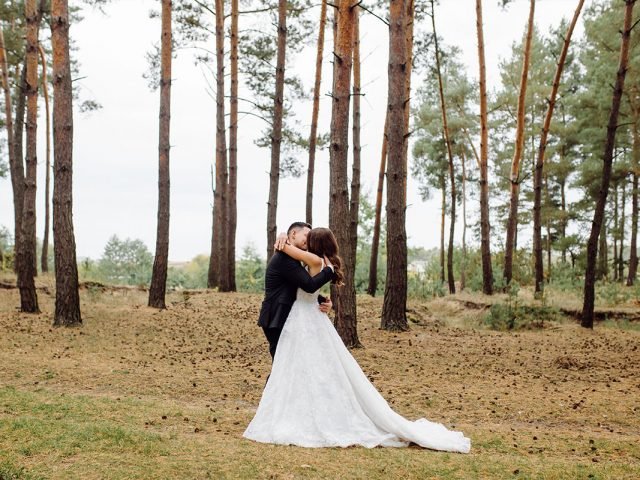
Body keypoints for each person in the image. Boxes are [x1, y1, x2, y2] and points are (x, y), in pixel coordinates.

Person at [244, 227, 471, 452]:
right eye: (305, 235)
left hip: (301, 319)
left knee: (292, 368)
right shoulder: (296, 257)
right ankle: (280, 410)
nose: (307, 240)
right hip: (287, 318)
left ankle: (282, 412)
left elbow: (306, 283)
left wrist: (325, 273)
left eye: (310, 237)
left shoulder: (307, 257)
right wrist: (287, 239)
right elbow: (304, 284)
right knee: (290, 367)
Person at [257, 222, 335, 360]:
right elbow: (309, 286)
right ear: (293, 234)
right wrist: (329, 271)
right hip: (277, 316)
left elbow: (296, 287)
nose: (309, 240)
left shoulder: (293, 258)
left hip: (285, 314)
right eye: (306, 235)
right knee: (282, 362)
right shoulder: (284, 258)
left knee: (288, 362)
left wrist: (322, 300)